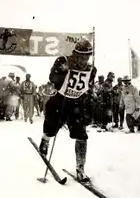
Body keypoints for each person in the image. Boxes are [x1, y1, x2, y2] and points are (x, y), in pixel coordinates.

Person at [38, 38, 97, 182]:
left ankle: (80, 168)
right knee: (52, 128)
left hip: (76, 104)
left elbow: (87, 86)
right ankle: (45, 140)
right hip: (59, 100)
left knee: (81, 135)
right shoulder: (63, 60)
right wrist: (64, 72)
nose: (84, 60)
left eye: (87, 57)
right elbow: (52, 78)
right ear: (75, 54)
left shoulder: (91, 69)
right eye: (81, 56)